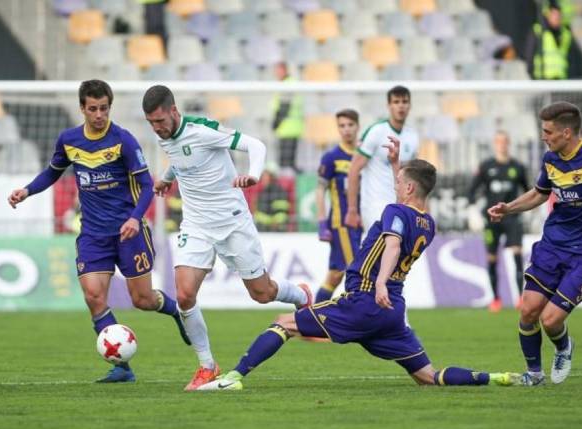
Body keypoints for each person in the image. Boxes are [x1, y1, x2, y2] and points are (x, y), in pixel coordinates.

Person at [196, 140, 519, 391]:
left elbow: (393, 244)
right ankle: (496, 377)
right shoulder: (428, 223)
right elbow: (407, 202)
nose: (395, 185)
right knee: (429, 377)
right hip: (392, 312)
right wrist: (396, 164)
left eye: (399, 182)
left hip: (365, 300)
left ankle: (233, 378)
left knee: (284, 323)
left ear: (408, 188)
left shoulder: (395, 212)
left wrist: (379, 283)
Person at [8, 79, 190, 383]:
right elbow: (52, 172)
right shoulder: (69, 140)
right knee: (94, 297)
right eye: (92, 109)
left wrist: (135, 219)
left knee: (142, 300)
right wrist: (27, 191)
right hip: (93, 234)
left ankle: (176, 311)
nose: (99, 115)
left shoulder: (123, 140)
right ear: (82, 108)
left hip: (128, 232)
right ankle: (122, 368)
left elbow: (146, 186)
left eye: (104, 108)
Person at [143, 84, 312, 391]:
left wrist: (254, 174)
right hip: (196, 224)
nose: (157, 128)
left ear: (174, 111)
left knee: (262, 293)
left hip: (232, 221)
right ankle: (207, 366)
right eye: (151, 123)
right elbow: (180, 160)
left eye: (160, 121)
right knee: (184, 295)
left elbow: (256, 145)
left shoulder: (204, 130)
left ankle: (300, 296)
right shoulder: (163, 136)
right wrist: (166, 179)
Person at [488, 102, 582, 386]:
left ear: (567, 133)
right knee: (528, 311)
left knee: (550, 320)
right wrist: (508, 208)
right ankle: (534, 375)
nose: (543, 136)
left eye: (548, 131)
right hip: (552, 245)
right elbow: (539, 193)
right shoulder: (551, 159)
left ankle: (563, 347)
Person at [467, 131, 530, 312]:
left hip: (512, 218)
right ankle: (495, 299)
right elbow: (472, 191)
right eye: (498, 142)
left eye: (504, 141)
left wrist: (530, 211)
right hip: (492, 219)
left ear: (508, 143)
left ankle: (520, 298)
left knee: (517, 255)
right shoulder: (486, 166)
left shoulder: (517, 167)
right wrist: (473, 212)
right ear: (495, 144)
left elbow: (529, 192)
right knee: (492, 258)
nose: (502, 145)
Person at [345, 85, 420, 236]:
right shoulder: (376, 131)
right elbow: (354, 169)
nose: (401, 106)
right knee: (385, 245)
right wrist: (352, 209)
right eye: (396, 102)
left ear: (410, 106)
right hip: (375, 204)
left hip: (401, 205)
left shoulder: (412, 136)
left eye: (404, 102)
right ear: (389, 105)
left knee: (395, 249)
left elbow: (414, 177)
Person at [314, 109, 363, 303]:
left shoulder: (364, 155)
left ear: (358, 126)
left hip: (362, 222)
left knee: (335, 275)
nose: (346, 129)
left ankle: (310, 315)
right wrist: (321, 222)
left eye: (350, 125)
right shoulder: (332, 157)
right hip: (341, 224)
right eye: (342, 126)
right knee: (357, 272)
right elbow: (320, 190)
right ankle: (357, 316)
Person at [271, 62, 304, 172]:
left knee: (285, 162)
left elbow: (285, 105)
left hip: (287, 126)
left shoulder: (287, 84)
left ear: (285, 70)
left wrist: (276, 122)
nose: (276, 73)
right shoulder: (290, 82)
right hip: (291, 126)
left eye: (278, 70)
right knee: (289, 161)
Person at [526, 4, 572, 80]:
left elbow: (569, 58)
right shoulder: (538, 31)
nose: (557, 18)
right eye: (554, 15)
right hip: (541, 78)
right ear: (548, 16)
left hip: (561, 78)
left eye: (559, 15)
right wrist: (532, 75)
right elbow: (530, 53)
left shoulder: (565, 34)